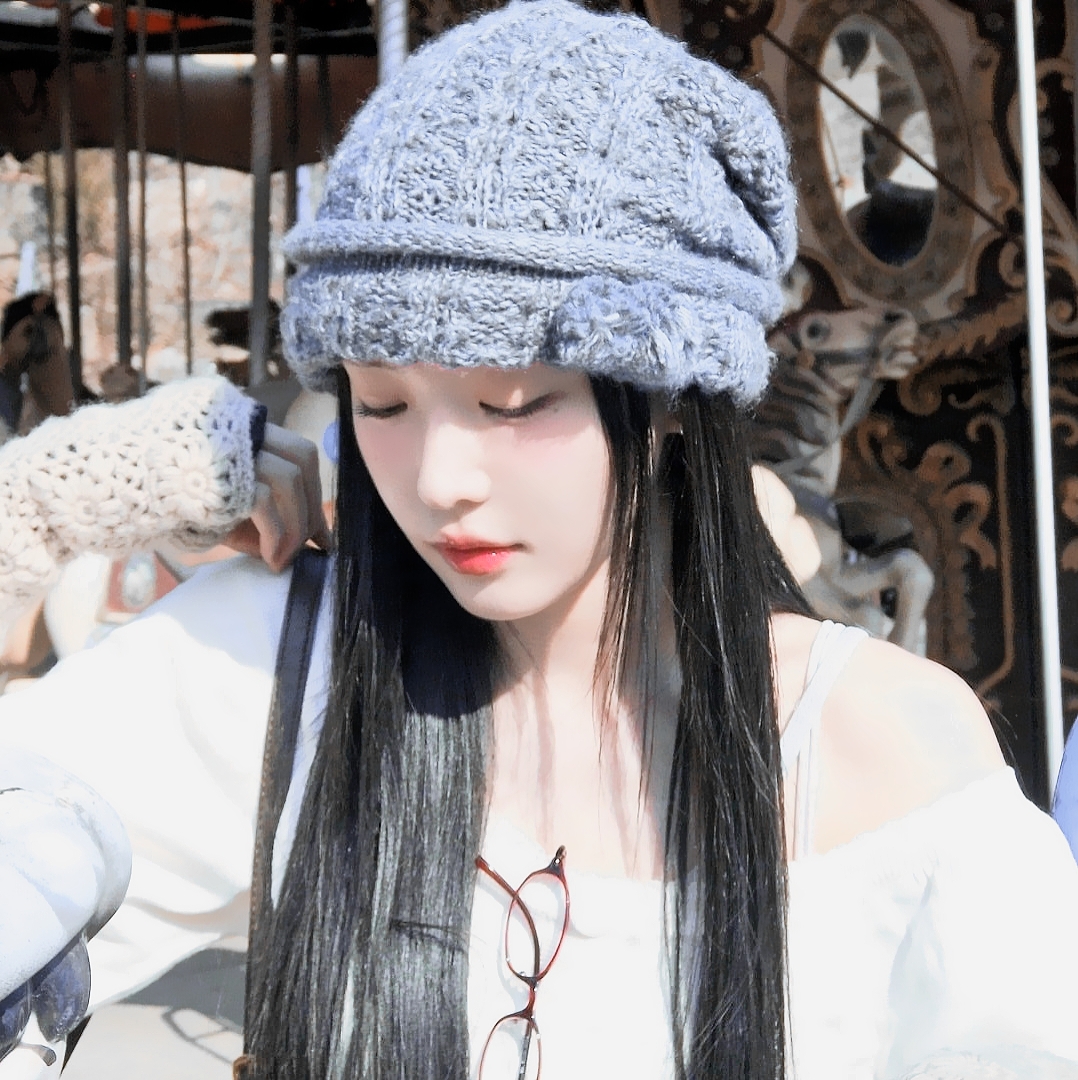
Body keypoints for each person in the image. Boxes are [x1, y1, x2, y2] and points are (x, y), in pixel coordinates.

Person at [1, 3, 1078, 1078]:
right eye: (381, 404)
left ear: (669, 396)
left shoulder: (878, 751)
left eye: (512, 404)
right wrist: (45, 502)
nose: (439, 481)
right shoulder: (277, 668)